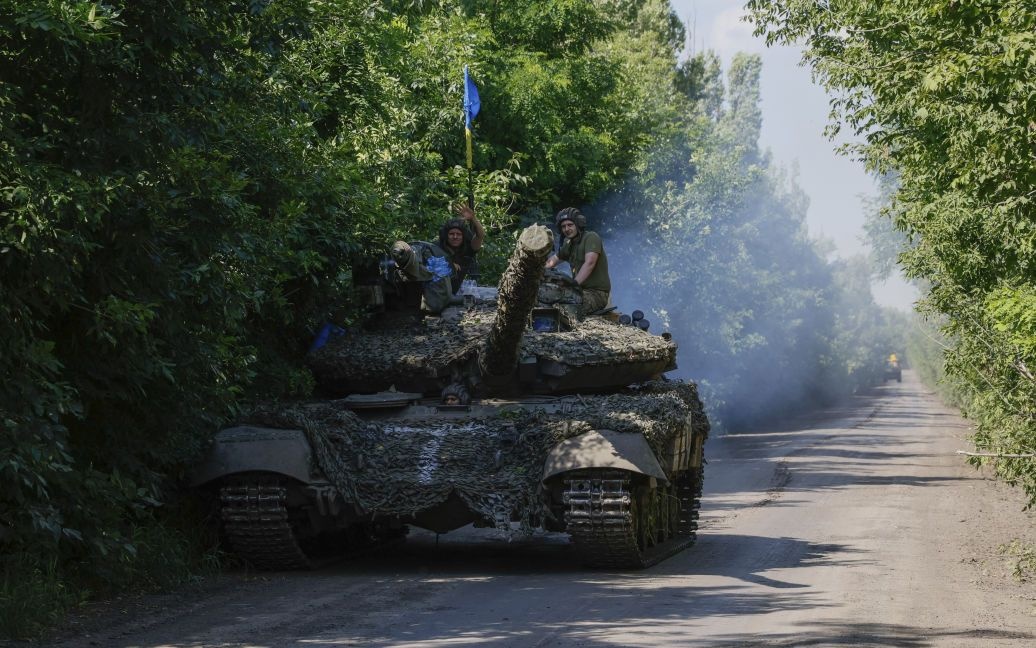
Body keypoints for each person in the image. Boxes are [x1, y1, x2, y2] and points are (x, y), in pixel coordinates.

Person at [544, 207, 611, 315]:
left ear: (578, 224)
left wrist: (573, 285)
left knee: (565, 308)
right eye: (563, 226)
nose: (566, 229)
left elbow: (590, 263)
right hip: (578, 291)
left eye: (570, 225)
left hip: (596, 293)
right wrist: (537, 270)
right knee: (547, 297)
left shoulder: (591, 237)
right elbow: (552, 261)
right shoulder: (569, 244)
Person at [438, 203, 485, 294]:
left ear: (463, 236)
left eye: (458, 234)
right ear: (446, 236)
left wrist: (473, 219)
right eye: (451, 234)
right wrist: (448, 265)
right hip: (435, 292)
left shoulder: (468, 248)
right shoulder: (437, 247)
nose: (455, 237)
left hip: (452, 293)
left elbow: (480, 236)